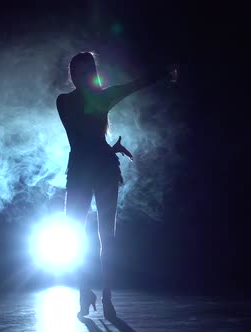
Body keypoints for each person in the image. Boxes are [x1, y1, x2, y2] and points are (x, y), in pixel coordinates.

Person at [56, 51, 176, 319]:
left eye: (88, 70)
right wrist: (110, 149)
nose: (83, 75)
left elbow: (136, 85)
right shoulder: (65, 101)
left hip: (97, 171)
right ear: (73, 75)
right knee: (77, 234)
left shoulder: (98, 98)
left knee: (104, 237)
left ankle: (106, 297)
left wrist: (162, 73)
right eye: (79, 71)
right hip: (85, 171)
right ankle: (86, 291)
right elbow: (83, 137)